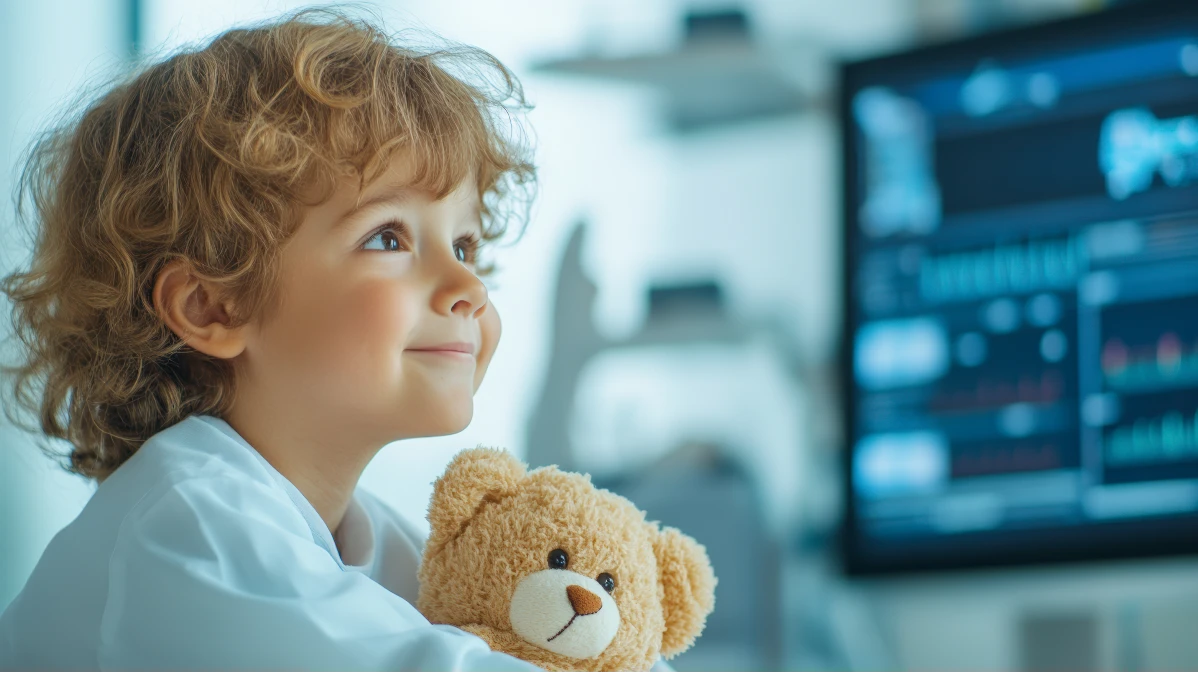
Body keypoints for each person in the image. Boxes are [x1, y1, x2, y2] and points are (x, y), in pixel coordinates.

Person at [0, 8, 542, 670]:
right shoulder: (188, 521)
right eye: (387, 238)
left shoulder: (364, 534)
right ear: (213, 306)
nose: (469, 286)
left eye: (464, 244)